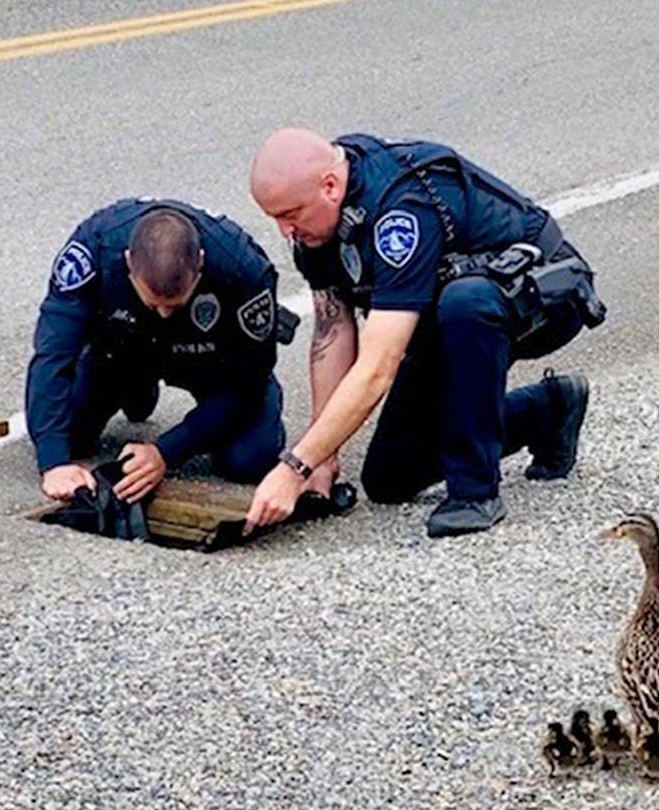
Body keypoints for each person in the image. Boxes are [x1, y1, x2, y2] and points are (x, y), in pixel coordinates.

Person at [243, 129, 606, 537]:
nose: (284, 232)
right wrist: (321, 454)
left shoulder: (401, 210)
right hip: (444, 313)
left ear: (330, 186)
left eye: (290, 215)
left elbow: (380, 365)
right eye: (274, 217)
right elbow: (333, 329)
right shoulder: (319, 218)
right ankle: (548, 409)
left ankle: (475, 491)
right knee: (389, 478)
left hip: (546, 295)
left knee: (467, 304)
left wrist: (294, 467)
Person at [26, 199, 287, 504]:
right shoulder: (94, 250)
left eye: (174, 305)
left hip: (211, 361)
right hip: (124, 348)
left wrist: (167, 450)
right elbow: (53, 354)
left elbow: (249, 380)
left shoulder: (243, 270)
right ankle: (134, 388)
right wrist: (54, 463)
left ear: (200, 263)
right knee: (60, 434)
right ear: (128, 262)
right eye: (154, 304)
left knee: (249, 459)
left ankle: (145, 387)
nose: (164, 313)